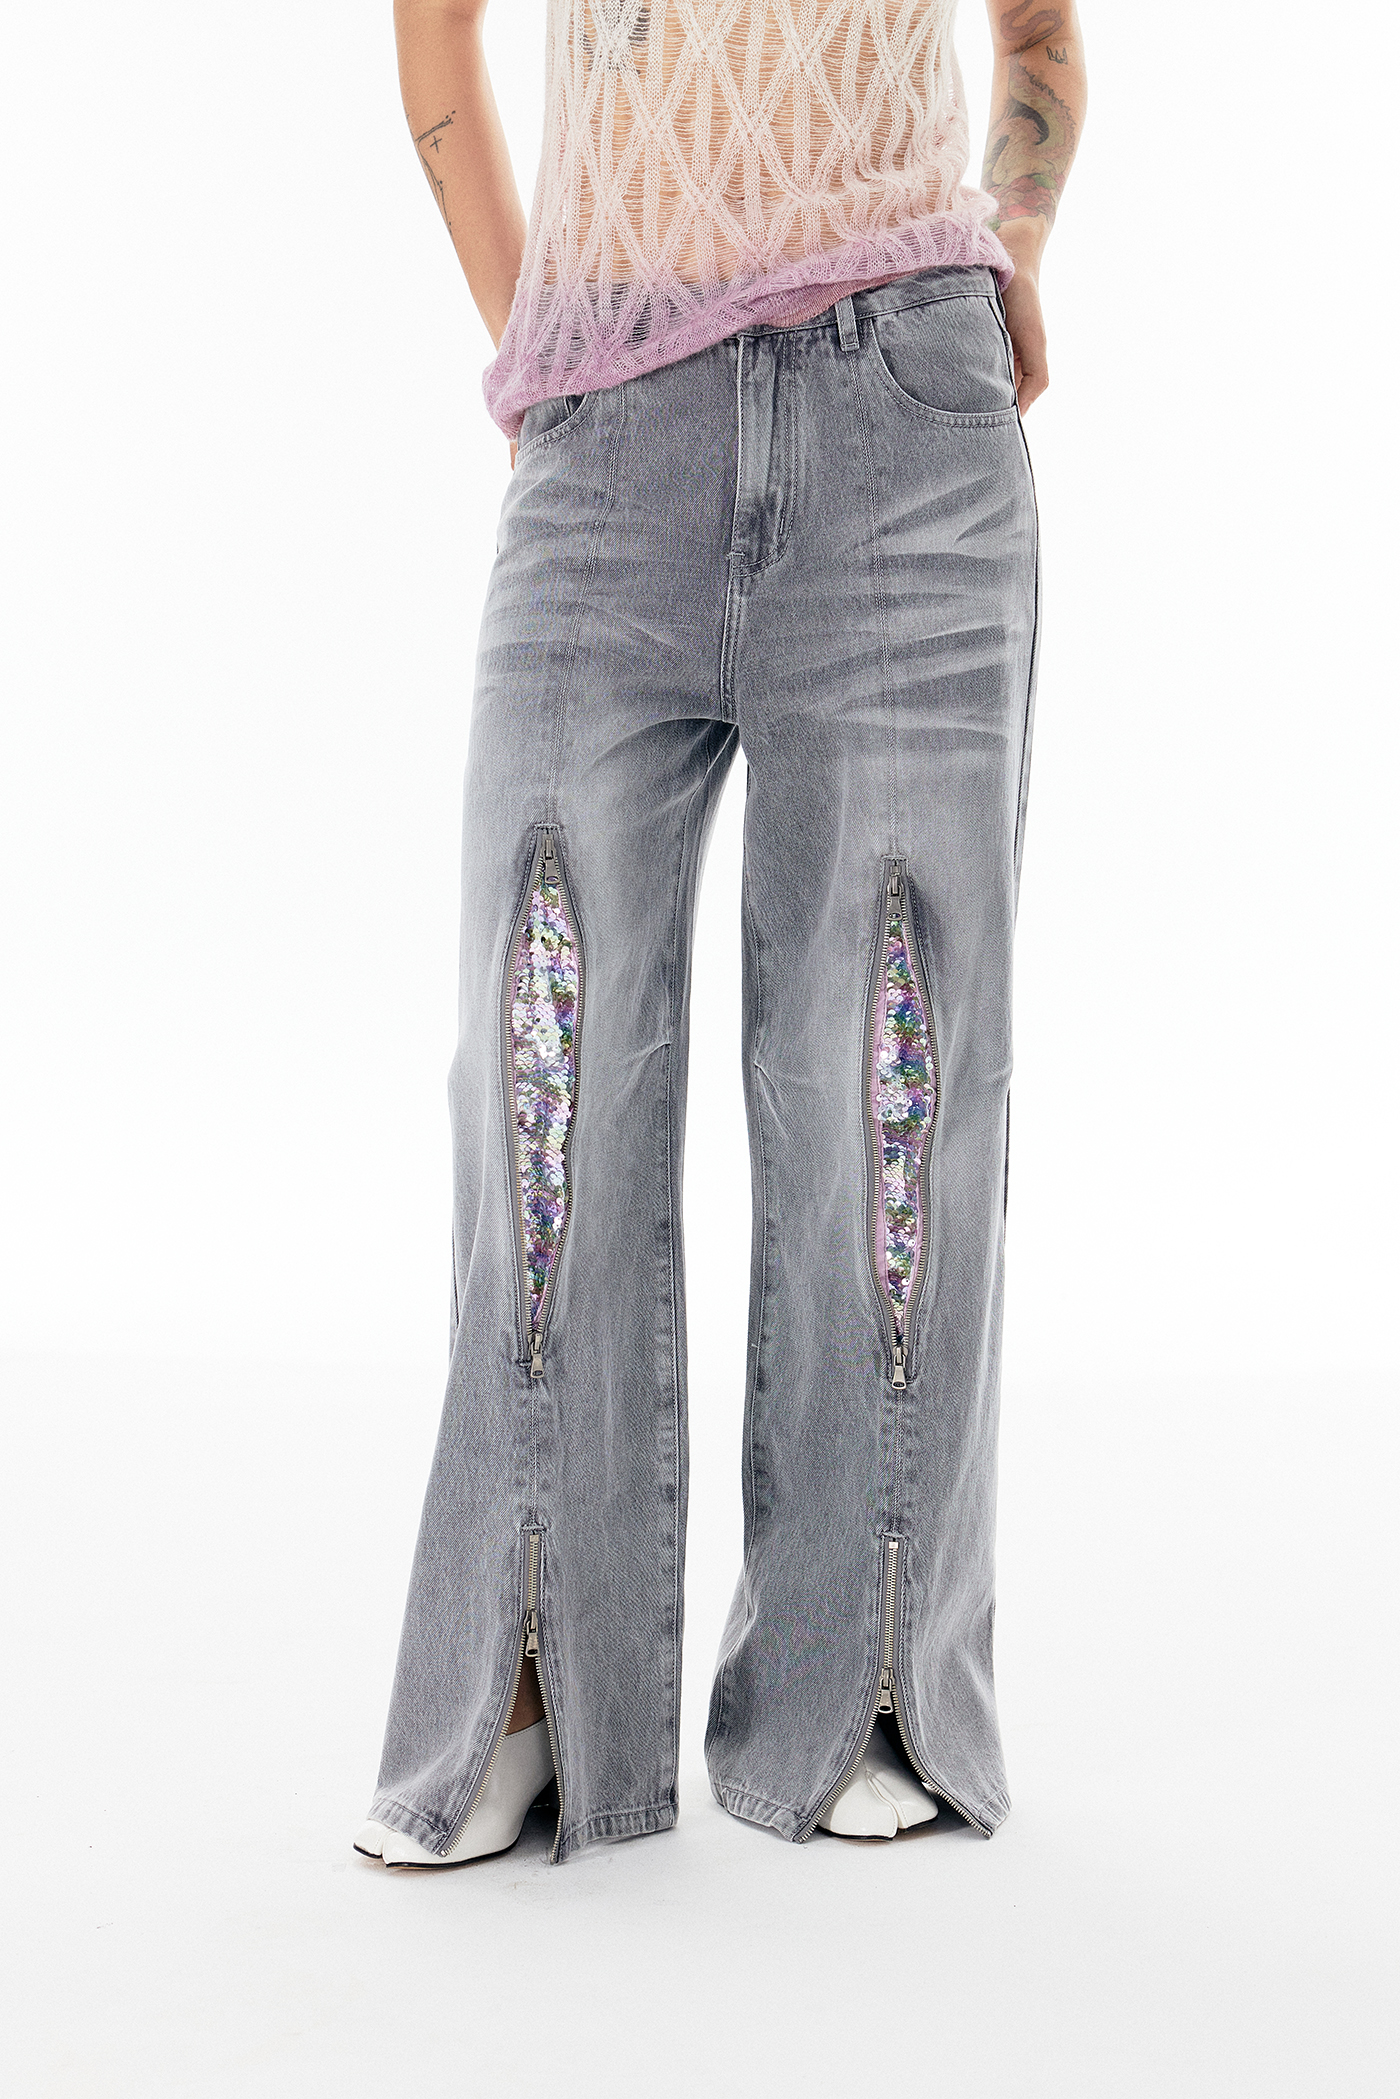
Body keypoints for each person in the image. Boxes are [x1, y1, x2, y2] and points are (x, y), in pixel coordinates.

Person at [355, 0, 1086, 1868]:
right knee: (545, 1063)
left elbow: (1039, 44)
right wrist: (548, 360)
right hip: (603, 439)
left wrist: (1012, 232)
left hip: (908, 421)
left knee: (893, 1087)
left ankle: (865, 1684)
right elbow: (433, 53)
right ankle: (531, 1685)